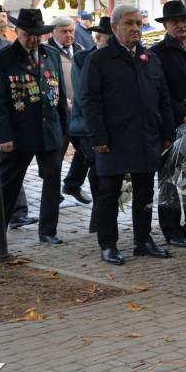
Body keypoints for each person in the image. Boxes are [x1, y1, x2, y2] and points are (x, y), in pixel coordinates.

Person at [80, 5, 176, 265]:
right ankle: (108, 244)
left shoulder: (150, 58)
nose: (135, 28)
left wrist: (167, 132)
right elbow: (89, 101)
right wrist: (98, 137)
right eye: (129, 23)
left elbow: (163, 98)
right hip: (112, 138)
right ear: (114, 27)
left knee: (145, 191)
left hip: (146, 136)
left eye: (138, 23)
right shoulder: (99, 60)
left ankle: (142, 240)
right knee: (109, 193)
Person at [0, 8, 69, 244]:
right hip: (18, 134)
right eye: (28, 34)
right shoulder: (4, 58)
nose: (33, 39)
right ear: (17, 31)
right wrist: (3, 136)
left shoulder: (51, 54)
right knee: (8, 186)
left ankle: (48, 231)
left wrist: (64, 128)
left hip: (50, 131)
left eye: (37, 34)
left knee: (53, 184)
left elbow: (59, 93)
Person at [149, 0, 186, 247]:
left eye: (184, 20)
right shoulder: (157, 53)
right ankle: (171, 230)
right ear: (166, 25)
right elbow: (157, 92)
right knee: (170, 177)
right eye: (175, 21)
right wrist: (182, 113)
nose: (181, 25)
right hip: (174, 124)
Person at [66, 16, 113, 236]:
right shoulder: (83, 57)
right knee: (98, 170)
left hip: (111, 125)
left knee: (103, 173)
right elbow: (85, 94)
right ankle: (98, 223)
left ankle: (99, 222)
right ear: (97, 38)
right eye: (107, 39)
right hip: (85, 126)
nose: (111, 43)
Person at [45, 16, 92, 207]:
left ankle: (73, 184)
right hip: (59, 114)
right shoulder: (46, 52)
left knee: (85, 152)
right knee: (56, 156)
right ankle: (52, 195)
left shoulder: (79, 50)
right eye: (64, 31)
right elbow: (45, 82)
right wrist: (64, 102)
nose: (69, 35)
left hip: (80, 113)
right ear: (53, 32)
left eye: (71, 30)